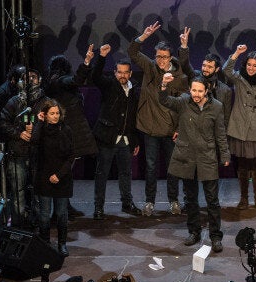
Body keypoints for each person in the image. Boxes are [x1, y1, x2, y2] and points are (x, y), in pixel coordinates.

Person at [158, 75, 229, 253]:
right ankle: (194, 232)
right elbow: (165, 100)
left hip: (207, 157)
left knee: (212, 200)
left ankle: (215, 236)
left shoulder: (217, 107)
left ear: (207, 91)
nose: (196, 94)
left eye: (199, 91)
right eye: (193, 90)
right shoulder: (183, 102)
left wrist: (225, 154)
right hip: (187, 157)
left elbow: (220, 133)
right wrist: (164, 85)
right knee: (190, 199)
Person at [128, 21, 189, 216]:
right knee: (151, 166)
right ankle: (149, 201)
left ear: (170, 57)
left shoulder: (179, 75)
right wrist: (143, 36)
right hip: (150, 127)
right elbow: (133, 52)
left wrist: (179, 127)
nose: (160, 60)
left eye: (164, 57)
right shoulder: (150, 67)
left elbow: (183, 104)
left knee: (173, 167)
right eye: (158, 57)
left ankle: (173, 201)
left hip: (170, 128)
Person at [81, 43, 141, 220]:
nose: (122, 75)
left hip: (126, 139)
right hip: (107, 138)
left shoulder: (134, 89)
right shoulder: (108, 84)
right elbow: (96, 76)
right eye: (119, 72)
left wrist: (135, 140)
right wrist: (102, 57)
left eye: (125, 72)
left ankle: (127, 203)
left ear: (130, 73)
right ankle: (98, 208)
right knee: (102, 174)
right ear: (115, 72)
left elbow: (133, 118)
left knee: (125, 173)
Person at [45, 54, 99, 219]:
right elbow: (75, 80)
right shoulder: (60, 81)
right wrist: (86, 62)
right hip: (67, 134)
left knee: (66, 172)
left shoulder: (54, 82)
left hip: (69, 132)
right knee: (63, 171)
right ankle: (60, 211)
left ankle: (65, 207)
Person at [223, 44, 256, 211]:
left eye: (254, 65)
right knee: (242, 165)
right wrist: (237, 53)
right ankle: (243, 198)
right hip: (239, 127)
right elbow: (226, 70)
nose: (251, 68)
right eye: (248, 65)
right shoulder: (238, 78)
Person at [0, 69, 47, 228]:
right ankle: (20, 226)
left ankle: (40, 226)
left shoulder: (46, 102)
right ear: (20, 82)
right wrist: (19, 134)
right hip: (17, 153)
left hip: (38, 154)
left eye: (33, 77)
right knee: (18, 192)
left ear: (39, 79)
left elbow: (56, 124)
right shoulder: (13, 102)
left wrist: (38, 129)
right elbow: (2, 123)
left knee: (39, 192)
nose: (30, 80)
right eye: (26, 78)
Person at [31, 99, 74, 257]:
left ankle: (62, 244)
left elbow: (71, 156)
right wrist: (40, 123)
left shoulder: (66, 129)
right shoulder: (40, 130)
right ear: (45, 115)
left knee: (62, 214)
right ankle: (45, 243)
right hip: (44, 177)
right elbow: (34, 141)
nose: (55, 116)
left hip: (62, 177)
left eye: (57, 113)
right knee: (44, 215)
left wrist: (59, 175)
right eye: (52, 113)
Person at [178, 27, 233, 129]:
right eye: (204, 65)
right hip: (195, 127)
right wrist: (184, 46)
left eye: (209, 67)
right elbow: (185, 65)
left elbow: (226, 116)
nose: (205, 69)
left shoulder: (225, 90)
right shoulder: (195, 77)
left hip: (214, 130)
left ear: (216, 69)